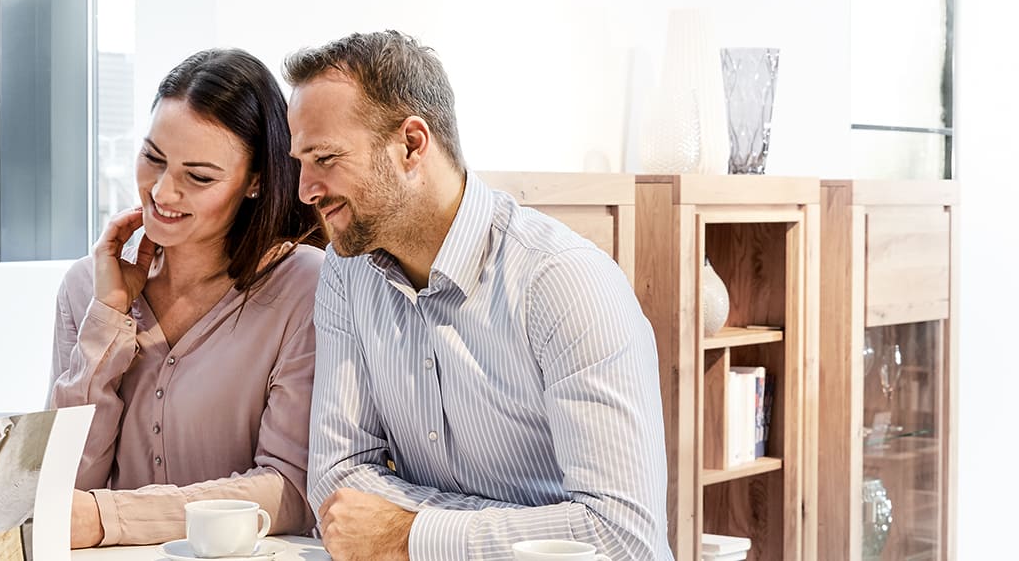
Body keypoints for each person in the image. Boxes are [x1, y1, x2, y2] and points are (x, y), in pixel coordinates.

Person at [286, 31, 671, 561]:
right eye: (300, 163)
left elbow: (623, 538)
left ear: (412, 145)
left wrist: (409, 533)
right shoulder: (345, 273)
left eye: (325, 158)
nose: (305, 189)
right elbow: (338, 485)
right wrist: (505, 532)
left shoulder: (564, 281)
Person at [51, 48, 326, 548]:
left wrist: (109, 518)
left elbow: (290, 490)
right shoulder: (85, 286)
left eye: (198, 177)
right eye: (152, 158)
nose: (162, 192)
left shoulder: (305, 287)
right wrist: (108, 318)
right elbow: (64, 489)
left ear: (256, 182)